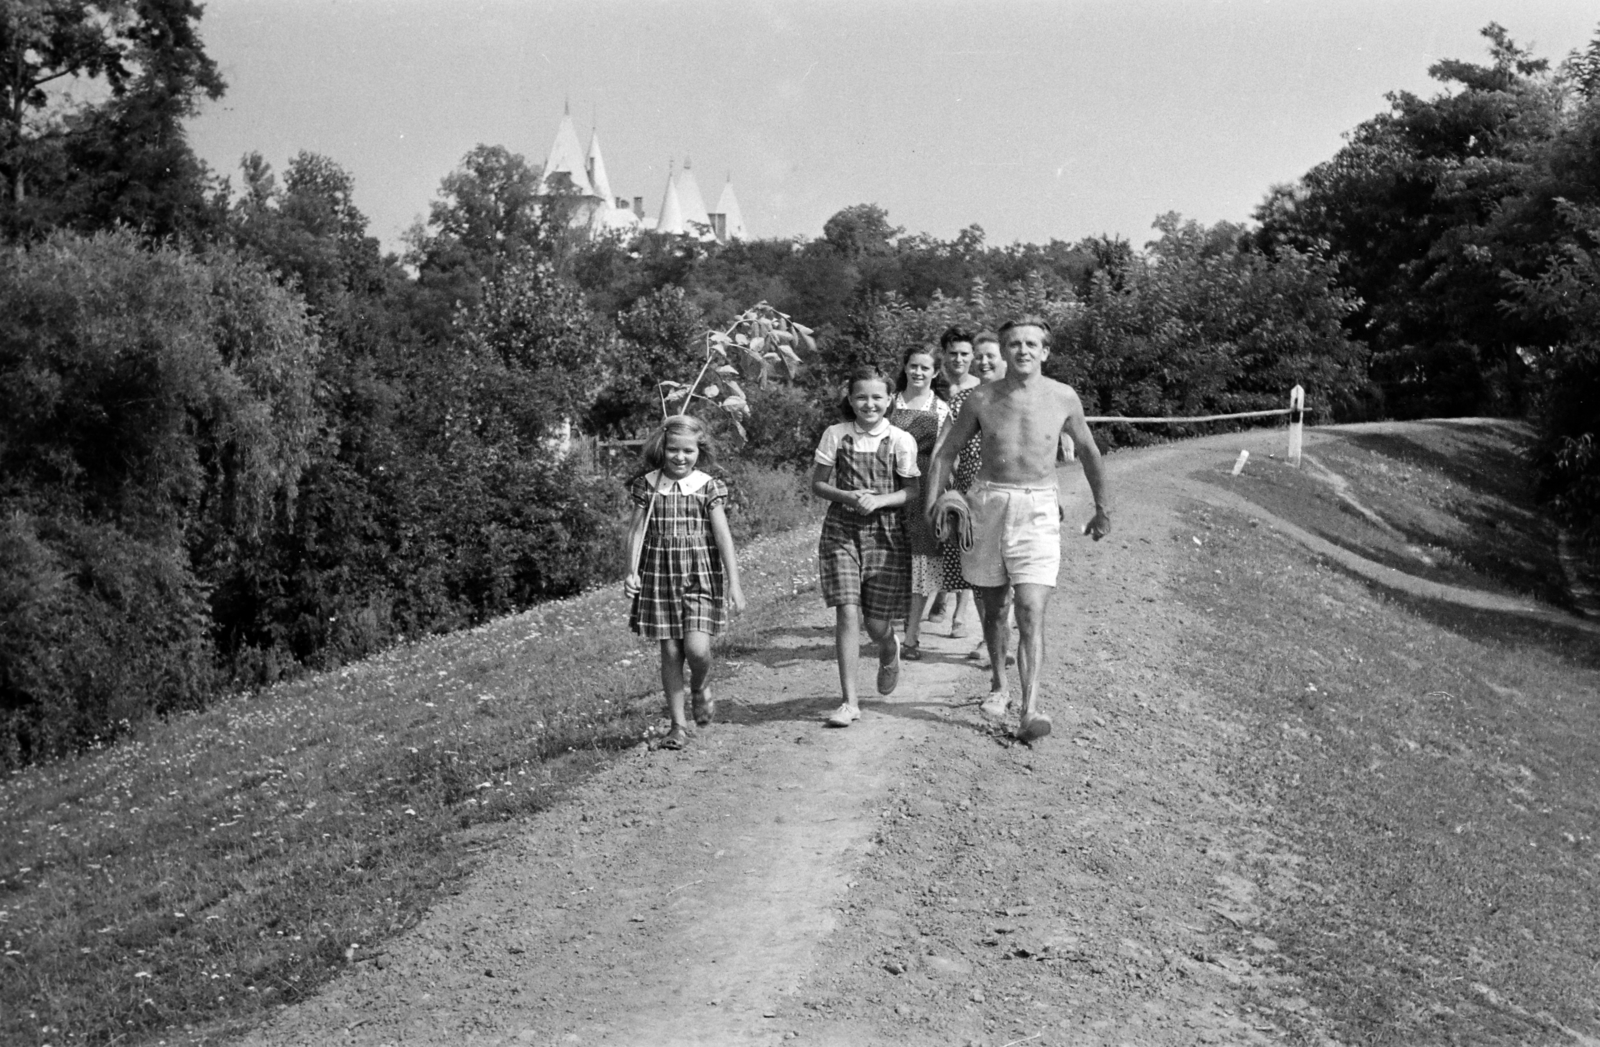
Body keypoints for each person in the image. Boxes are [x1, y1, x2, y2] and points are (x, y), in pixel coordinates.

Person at [925, 317, 1111, 742]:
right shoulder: (980, 398)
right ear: (1003, 351)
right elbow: (946, 453)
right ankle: (998, 684)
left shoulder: (1064, 397)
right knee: (994, 607)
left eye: (1031, 344)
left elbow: (1088, 451)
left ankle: (1030, 707)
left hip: (1039, 507)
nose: (1022, 350)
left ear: (1045, 351)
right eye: (1013, 344)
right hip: (989, 502)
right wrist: (935, 503)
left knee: (1030, 607)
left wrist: (1102, 509)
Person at [623, 415, 746, 751]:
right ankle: (677, 725)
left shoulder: (708, 485)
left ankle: (701, 682)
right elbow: (636, 532)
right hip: (658, 575)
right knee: (671, 650)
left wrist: (734, 582)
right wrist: (630, 571)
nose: (680, 457)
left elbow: (723, 537)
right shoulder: (648, 485)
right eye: (673, 450)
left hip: (700, 573)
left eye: (688, 451)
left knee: (697, 649)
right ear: (662, 448)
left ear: (699, 450)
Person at [812, 365, 921, 727]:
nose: (869, 404)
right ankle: (849, 702)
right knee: (846, 610)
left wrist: (880, 500)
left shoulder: (901, 440)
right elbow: (818, 484)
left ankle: (889, 648)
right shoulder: (836, 435)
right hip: (842, 531)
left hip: (886, 535)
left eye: (877, 397)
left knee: (876, 625)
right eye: (861, 396)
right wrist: (846, 495)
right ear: (850, 399)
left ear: (890, 399)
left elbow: (912, 491)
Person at [934, 330, 1004, 639]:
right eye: (982, 356)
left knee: (1008, 575)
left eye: (992, 356)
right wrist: (936, 498)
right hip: (971, 498)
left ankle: (1002, 635)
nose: (985, 362)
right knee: (978, 576)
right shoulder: (964, 399)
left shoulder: (1021, 395)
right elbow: (943, 452)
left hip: (1008, 495)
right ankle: (990, 640)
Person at [891, 344, 950, 660]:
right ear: (905, 366)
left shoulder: (942, 409)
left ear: (935, 372)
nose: (918, 372)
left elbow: (944, 454)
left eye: (925, 368)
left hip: (926, 484)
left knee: (922, 562)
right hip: (889, 484)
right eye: (913, 366)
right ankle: (888, 631)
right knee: (891, 559)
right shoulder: (888, 403)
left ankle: (912, 636)